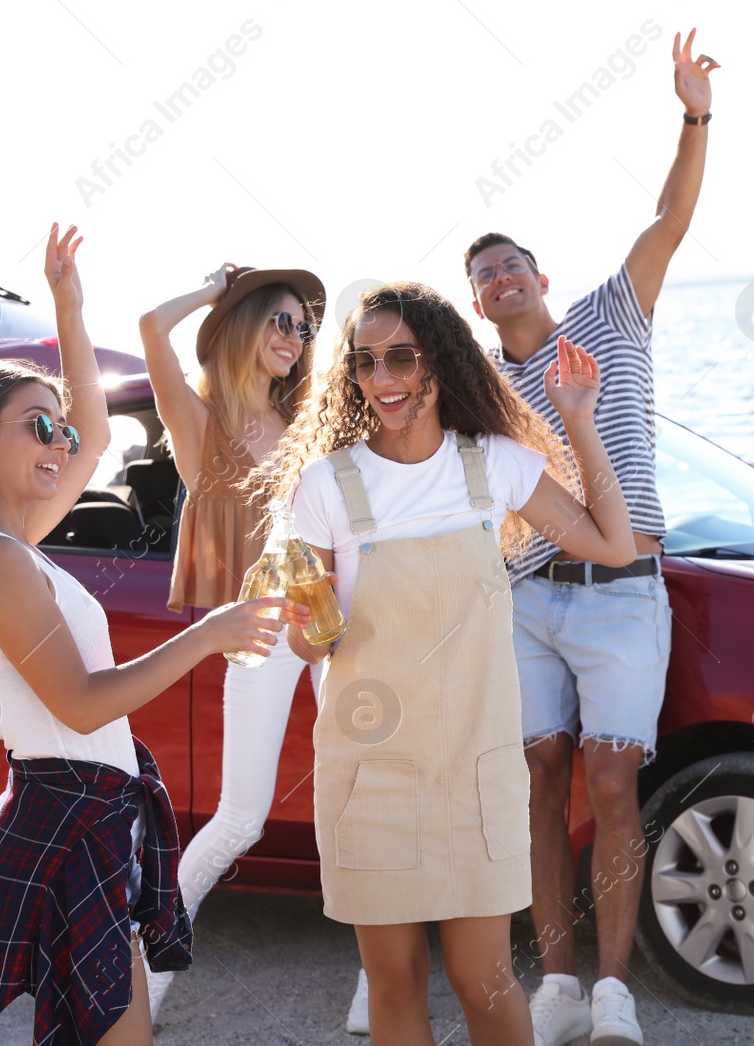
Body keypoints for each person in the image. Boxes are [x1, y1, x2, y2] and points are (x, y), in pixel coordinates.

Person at [0, 225, 285, 1045]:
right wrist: (211, 630)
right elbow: (78, 703)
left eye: (59, 428)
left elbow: (100, 431)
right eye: (36, 427)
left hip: (89, 812)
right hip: (68, 812)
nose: (63, 441)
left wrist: (68, 308)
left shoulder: (10, 543)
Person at [265, 282, 635, 1045]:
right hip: (371, 771)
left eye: (402, 356)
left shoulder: (495, 466)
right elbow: (309, 642)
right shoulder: (327, 484)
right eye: (367, 362)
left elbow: (615, 545)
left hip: (477, 769)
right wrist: (304, 623)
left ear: (443, 359)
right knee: (394, 983)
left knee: (486, 980)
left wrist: (577, 421)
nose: (384, 378)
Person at [459, 26, 718, 1046]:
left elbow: (672, 216)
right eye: (484, 273)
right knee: (538, 776)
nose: (502, 277)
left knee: (612, 779)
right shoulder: (477, 390)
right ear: (477, 303)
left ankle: (614, 988)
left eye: (512, 262)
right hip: (529, 595)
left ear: (539, 274)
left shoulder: (612, 316)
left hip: (624, 591)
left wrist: (692, 113)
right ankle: (555, 982)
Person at [136, 260, 326, 1016]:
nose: (295, 335)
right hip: (260, 635)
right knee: (240, 817)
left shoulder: (305, 421)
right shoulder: (198, 422)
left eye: (304, 326)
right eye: (280, 319)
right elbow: (152, 329)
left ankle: (378, 992)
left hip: (327, 622)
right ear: (245, 325)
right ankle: (142, 986)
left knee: (357, 801)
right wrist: (219, 288)